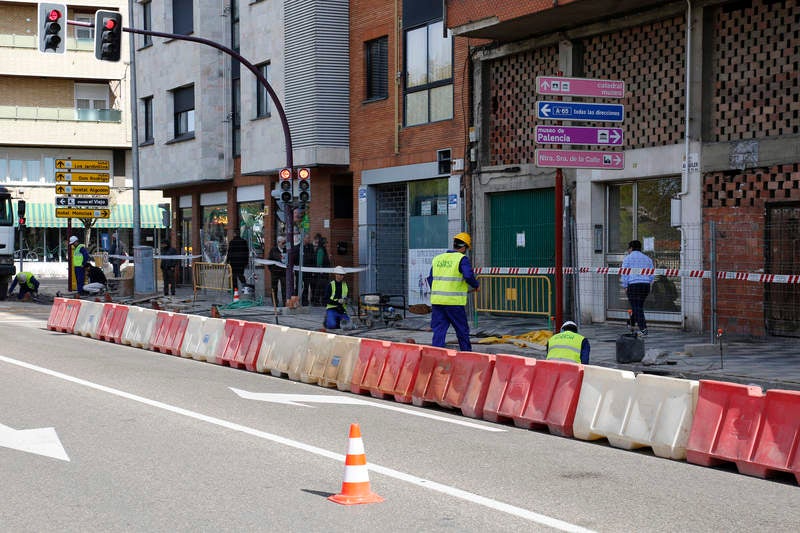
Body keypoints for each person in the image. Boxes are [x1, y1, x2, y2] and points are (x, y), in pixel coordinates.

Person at [427, 232, 480, 351]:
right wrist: (476, 285)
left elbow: (431, 279)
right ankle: (467, 355)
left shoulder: (438, 258)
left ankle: (436, 355)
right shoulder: (462, 259)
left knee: (439, 331)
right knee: (462, 330)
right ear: (464, 247)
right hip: (454, 303)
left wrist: (439, 291)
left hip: (437, 302)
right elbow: (468, 275)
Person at [621, 239, 655, 337]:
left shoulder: (628, 258)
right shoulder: (647, 258)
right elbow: (652, 273)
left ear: (631, 248)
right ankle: (630, 323)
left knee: (637, 308)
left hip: (633, 285)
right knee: (638, 306)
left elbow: (625, 273)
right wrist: (649, 282)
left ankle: (643, 329)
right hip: (645, 285)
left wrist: (625, 285)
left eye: (629, 249)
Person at [268, 236, 287, 307]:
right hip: (275, 272)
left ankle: (285, 302)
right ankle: (275, 302)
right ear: (278, 243)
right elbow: (269, 260)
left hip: (283, 272)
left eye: (285, 242)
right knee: (274, 288)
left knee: (284, 288)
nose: (284, 244)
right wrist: (272, 270)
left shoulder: (286, 250)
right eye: (283, 243)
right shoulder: (273, 250)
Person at [312, 233, 330, 306]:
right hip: (322, 273)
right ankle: (318, 301)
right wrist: (321, 271)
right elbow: (319, 262)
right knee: (320, 288)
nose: (326, 244)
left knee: (321, 288)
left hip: (323, 272)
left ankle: (321, 301)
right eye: (325, 243)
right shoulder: (321, 250)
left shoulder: (322, 249)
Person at [300, 233, 315, 306]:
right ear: (303, 239)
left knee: (307, 286)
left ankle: (306, 301)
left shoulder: (311, 247)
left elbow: (313, 258)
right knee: (300, 287)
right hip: (301, 271)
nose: (309, 239)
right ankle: (299, 300)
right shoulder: (300, 247)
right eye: (307, 238)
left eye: (309, 238)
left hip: (309, 271)